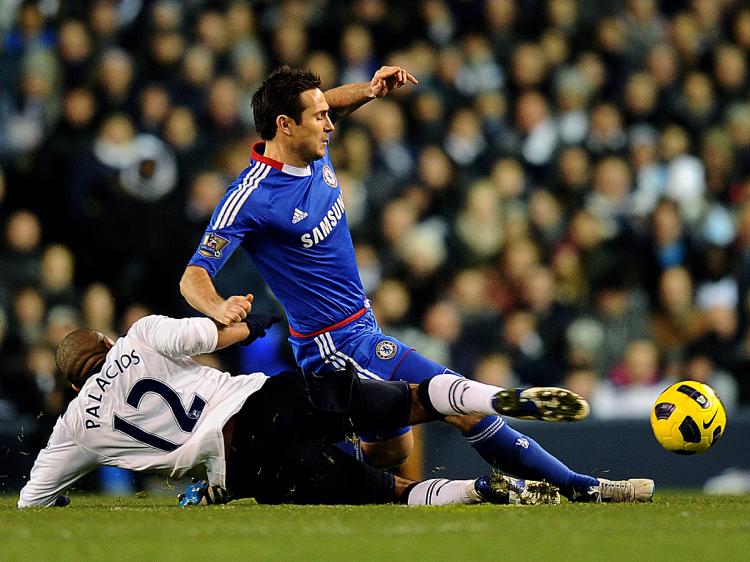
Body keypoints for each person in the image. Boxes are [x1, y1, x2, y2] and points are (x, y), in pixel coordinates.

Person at [180, 66, 653, 503]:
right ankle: (582, 487)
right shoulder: (251, 196)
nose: (330, 124)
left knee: (388, 454)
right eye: (319, 117)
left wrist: (368, 91)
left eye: (328, 113)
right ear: (285, 125)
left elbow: (333, 105)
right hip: (332, 347)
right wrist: (218, 307)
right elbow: (194, 275)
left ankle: (284, 470)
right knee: (460, 403)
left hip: (362, 327)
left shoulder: (314, 147)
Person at [19, 312, 571, 508]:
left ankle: (480, 491)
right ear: (105, 342)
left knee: (388, 494)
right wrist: (244, 322)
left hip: (246, 469)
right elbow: (215, 331)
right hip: (265, 401)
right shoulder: (138, 338)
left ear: (72, 385)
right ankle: (490, 396)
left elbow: (31, 498)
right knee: (411, 399)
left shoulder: (74, 426)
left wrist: (61, 496)